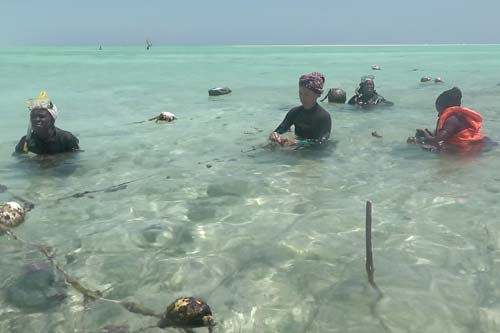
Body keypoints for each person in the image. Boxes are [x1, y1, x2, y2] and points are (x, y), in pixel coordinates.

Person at [414, 87, 495, 152]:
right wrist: (433, 134)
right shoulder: (459, 116)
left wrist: (426, 137)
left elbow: (438, 139)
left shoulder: (451, 120)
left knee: (433, 150)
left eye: (439, 111)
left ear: (446, 108)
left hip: (472, 147)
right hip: (482, 142)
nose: (438, 115)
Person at [269, 72, 331, 146]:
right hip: (297, 148)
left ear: (317, 94)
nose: (302, 97)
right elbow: (279, 130)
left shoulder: (323, 117)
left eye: (306, 94)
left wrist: (299, 143)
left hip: (315, 154)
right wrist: (274, 135)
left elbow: (322, 142)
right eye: (300, 93)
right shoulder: (295, 112)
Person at [14, 92, 80, 155]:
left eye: (41, 117)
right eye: (33, 117)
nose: (36, 119)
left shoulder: (66, 139)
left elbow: (74, 160)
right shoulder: (26, 142)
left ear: (52, 119)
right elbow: (18, 159)